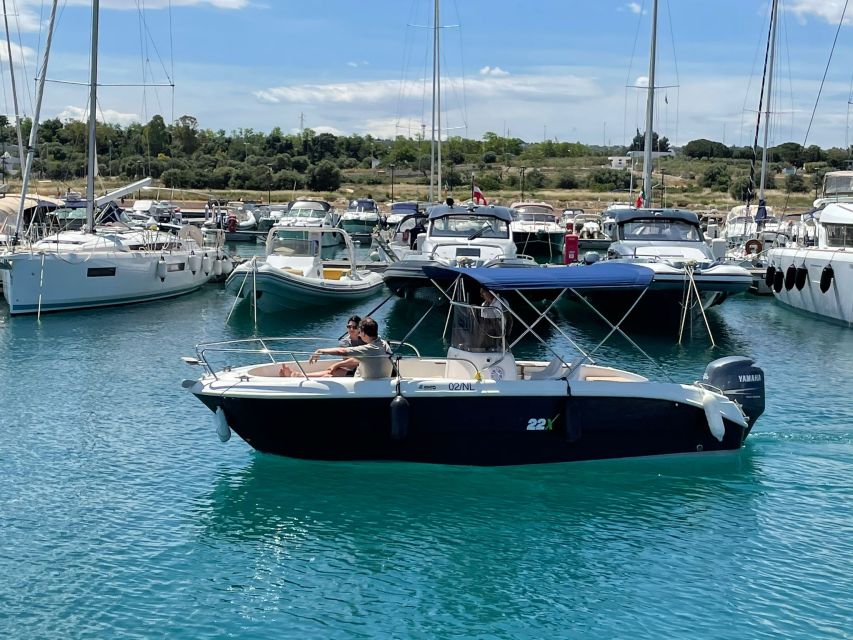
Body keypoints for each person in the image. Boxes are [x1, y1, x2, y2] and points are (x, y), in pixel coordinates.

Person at [279, 317, 392, 379]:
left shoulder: (370, 348)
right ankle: (298, 375)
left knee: (328, 378)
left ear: (363, 333)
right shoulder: (383, 344)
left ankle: (298, 376)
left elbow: (342, 351)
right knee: (332, 374)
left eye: (359, 331)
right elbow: (359, 357)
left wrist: (320, 350)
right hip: (370, 380)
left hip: (361, 384)